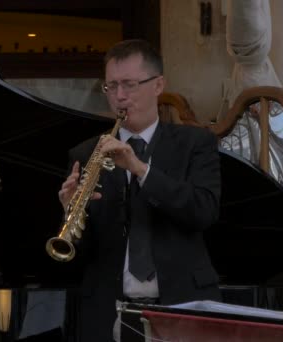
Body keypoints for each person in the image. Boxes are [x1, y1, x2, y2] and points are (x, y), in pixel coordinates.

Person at [58, 39, 222, 342]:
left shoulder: (195, 144)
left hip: (182, 310)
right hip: (109, 314)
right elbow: (80, 258)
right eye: (111, 87)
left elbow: (204, 210)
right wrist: (71, 214)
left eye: (130, 85)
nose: (120, 97)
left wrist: (141, 170)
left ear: (158, 85)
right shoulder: (84, 153)